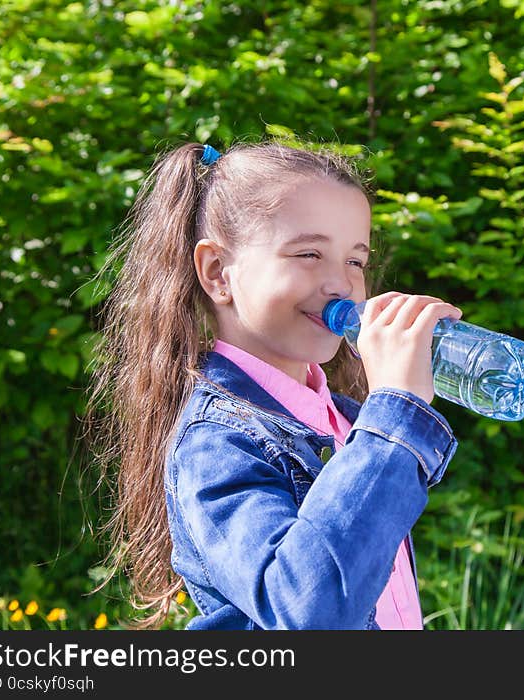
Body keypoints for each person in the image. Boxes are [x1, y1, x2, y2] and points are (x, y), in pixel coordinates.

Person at [86, 139, 462, 630]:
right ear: (219, 273)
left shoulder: (346, 421)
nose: (342, 284)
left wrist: (386, 419)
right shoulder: (216, 442)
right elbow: (309, 610)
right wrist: (395, 414)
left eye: (355, 261)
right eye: (309, 253)